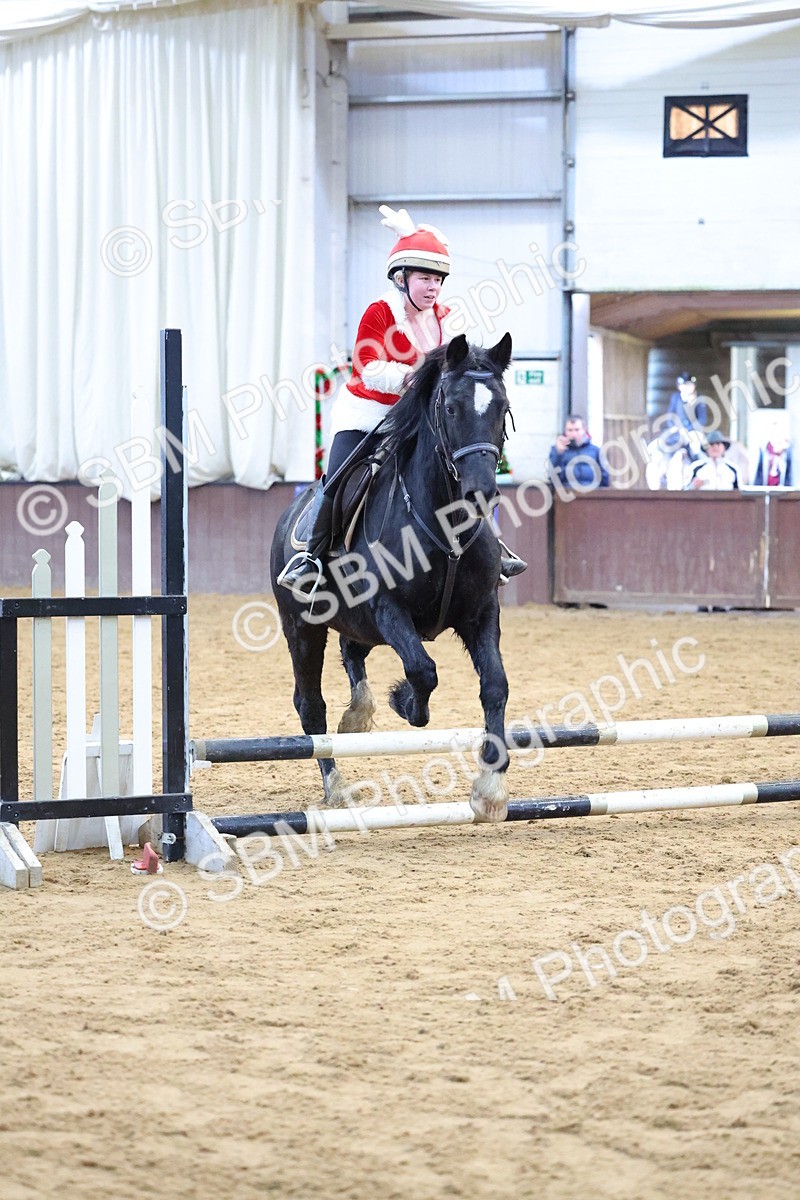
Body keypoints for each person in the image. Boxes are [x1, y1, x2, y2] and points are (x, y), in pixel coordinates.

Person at [278, 205, 527, 592]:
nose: (433, 288)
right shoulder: (379, 312)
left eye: (438, 281)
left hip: (418, 418)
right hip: (368, 414)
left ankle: (491, 548)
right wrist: (409, 376)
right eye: (425, 279)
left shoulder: (445, 316)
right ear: (401, 278)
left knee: (463, 466)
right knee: (340, 476)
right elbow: (365, 365)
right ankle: (311, 558)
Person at [549, 414, 609, 489]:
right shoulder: (557, 451)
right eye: (570, 430)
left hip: (591, 495)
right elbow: (553, 478)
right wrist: (558, 455)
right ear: (565, 432)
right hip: (567, 494)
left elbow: (605, 479)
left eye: (577, 430)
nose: (573, 434)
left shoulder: (596, 451)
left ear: (584, 430)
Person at [666, 371, 708, 447]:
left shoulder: (699, 398)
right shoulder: (676, 397)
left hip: (693, 432)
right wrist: (676, 428)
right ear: (679, 386)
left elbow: (702, 419)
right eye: (684, 385)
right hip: (678, 431)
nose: (686, 387)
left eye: (689, 385)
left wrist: (688, 429)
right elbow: (670, 415)